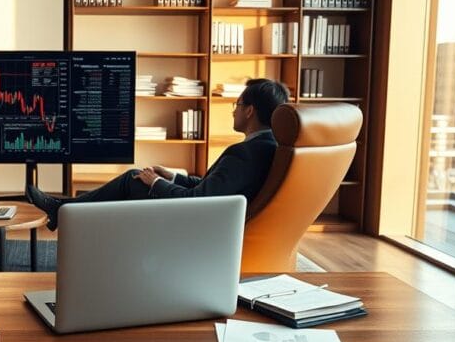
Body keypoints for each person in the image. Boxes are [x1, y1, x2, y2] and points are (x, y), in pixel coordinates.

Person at [27, 78, 290, 230]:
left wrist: (156, 183)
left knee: (133, 179)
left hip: (198, 223)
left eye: (237, 104)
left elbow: (198, 200)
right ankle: (66, 212)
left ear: (250, 111)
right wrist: (172, 177)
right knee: (137, 180)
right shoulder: (268, 147)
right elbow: (212, 188)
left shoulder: (244, 154)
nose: (233, 110)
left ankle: (63, 210)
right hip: (213, 216)